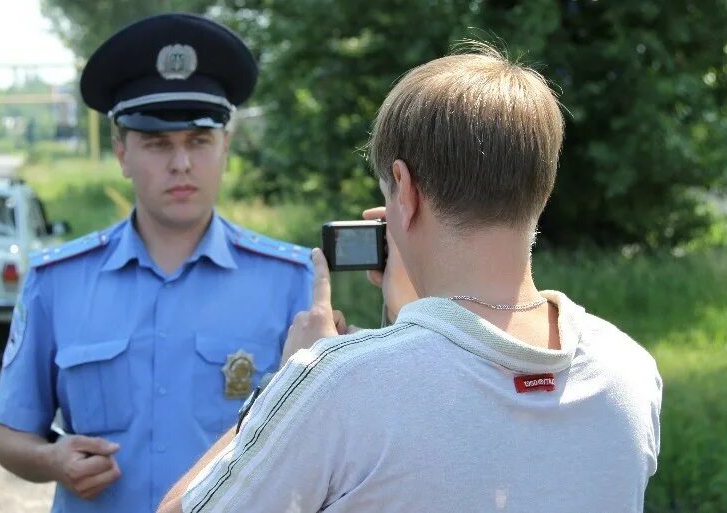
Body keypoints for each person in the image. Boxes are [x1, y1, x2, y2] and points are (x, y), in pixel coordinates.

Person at [159, 45, 663, 513]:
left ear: (404, 188)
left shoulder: (335, 384)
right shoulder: (629, 371)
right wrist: (413, 318)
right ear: (542, 187)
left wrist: (281, 388)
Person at [0, 13, 313, 513]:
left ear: (225, 146)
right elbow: (9, 434)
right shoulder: (57, 282)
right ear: (121, 153)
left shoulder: (292, 282)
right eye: (158, 143)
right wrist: (52, 459)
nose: (180, 164)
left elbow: (326, 440)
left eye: (198, 141)